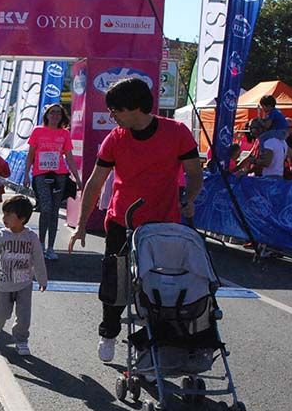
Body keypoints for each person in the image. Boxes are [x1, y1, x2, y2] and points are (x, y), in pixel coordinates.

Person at [66, 78, 201, 363]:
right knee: (115, 283)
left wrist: (189, 198)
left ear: (135, 108)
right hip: (122, 222)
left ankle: (157, 342)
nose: (111, 116)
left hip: (164, 224)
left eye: (116, 110)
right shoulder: (115, 138)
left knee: (163, 285)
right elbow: (94, 182)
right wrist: (80, 224)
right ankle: (109, 331)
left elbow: (194, 172)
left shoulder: (177, 132)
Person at [0, 195, 48, 357]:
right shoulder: (2, 236)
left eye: (9, 214)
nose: (4, 218)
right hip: (4, 283)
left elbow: (38, 259)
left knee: (24, 316)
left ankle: (21, 340)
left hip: (24, 284)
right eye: (4, 214)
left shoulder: (31, 238)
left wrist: (42, 279)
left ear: (22, 218)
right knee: (2, 312)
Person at [26, 103, 79, 260]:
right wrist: (25, 175)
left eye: (58, 113)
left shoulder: (64, 134)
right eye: (52, 112)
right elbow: (30, 155)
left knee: (54, 211)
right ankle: (40, 244)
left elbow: (69, 156)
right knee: (46, 208)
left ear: (62, 116)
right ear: (47, 115)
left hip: (59, 175)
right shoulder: (38, 131)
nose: (55, 115)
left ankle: (51, 247)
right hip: (41, 174)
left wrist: (77, 177)